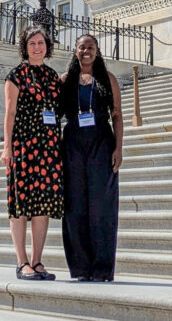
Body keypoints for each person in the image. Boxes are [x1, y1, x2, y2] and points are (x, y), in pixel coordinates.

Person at [1, 24, 64, 281]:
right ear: (24, 48)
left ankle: (38, 261)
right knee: (21, 205)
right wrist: (7, 147)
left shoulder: (52, 76)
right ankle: (21, 262)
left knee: (43, 206)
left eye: (41, 43)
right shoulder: (15, 76)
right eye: (32, 44)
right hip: (23, 145)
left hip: (49, 147)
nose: (37, 47)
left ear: (47, 46)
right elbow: (10, 113)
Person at [59, 34, 123, 281]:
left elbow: (116, 115)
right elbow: (55, 113)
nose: (86, 51)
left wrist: (119, 148)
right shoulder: (66, 80)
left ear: (97, 51)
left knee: (102, 205)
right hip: (73, 143)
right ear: (75, 51)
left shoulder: (107, 79)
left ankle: (102, 268)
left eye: (91, 47)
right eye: (82, 47)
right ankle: (81, 267)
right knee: (75, 206)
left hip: (101, 142)